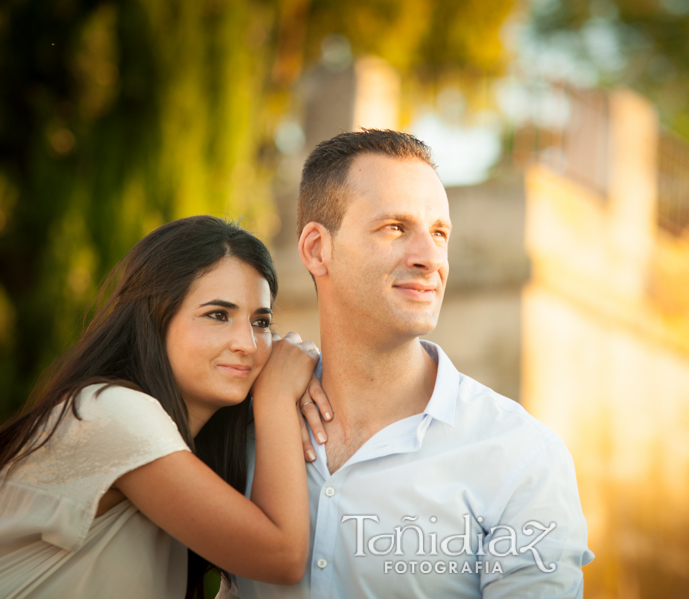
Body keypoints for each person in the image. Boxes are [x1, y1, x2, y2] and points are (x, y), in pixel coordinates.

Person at [221, 130, 593, 599]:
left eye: (439, 233)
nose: (430, 258)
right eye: (396, 228)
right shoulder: (242, 426)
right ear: (317, 249)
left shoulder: (520, 457)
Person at [0, 215, 328, 599]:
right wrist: (276, 398)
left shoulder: (190, 451)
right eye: (218, 315)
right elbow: (282, 558)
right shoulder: (110, 412)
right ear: (156, 317)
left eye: (260, 321)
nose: (248, 344)